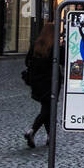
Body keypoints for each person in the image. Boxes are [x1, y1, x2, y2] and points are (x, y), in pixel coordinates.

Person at [23, 20, 54, 148]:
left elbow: (27, 61)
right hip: (50, 82)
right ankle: (32, 131)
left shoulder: (36, 44)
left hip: (37, 82)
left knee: (46, 108)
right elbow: (62, 60)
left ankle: (50, 137)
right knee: (47, 109)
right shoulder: (54, 47)